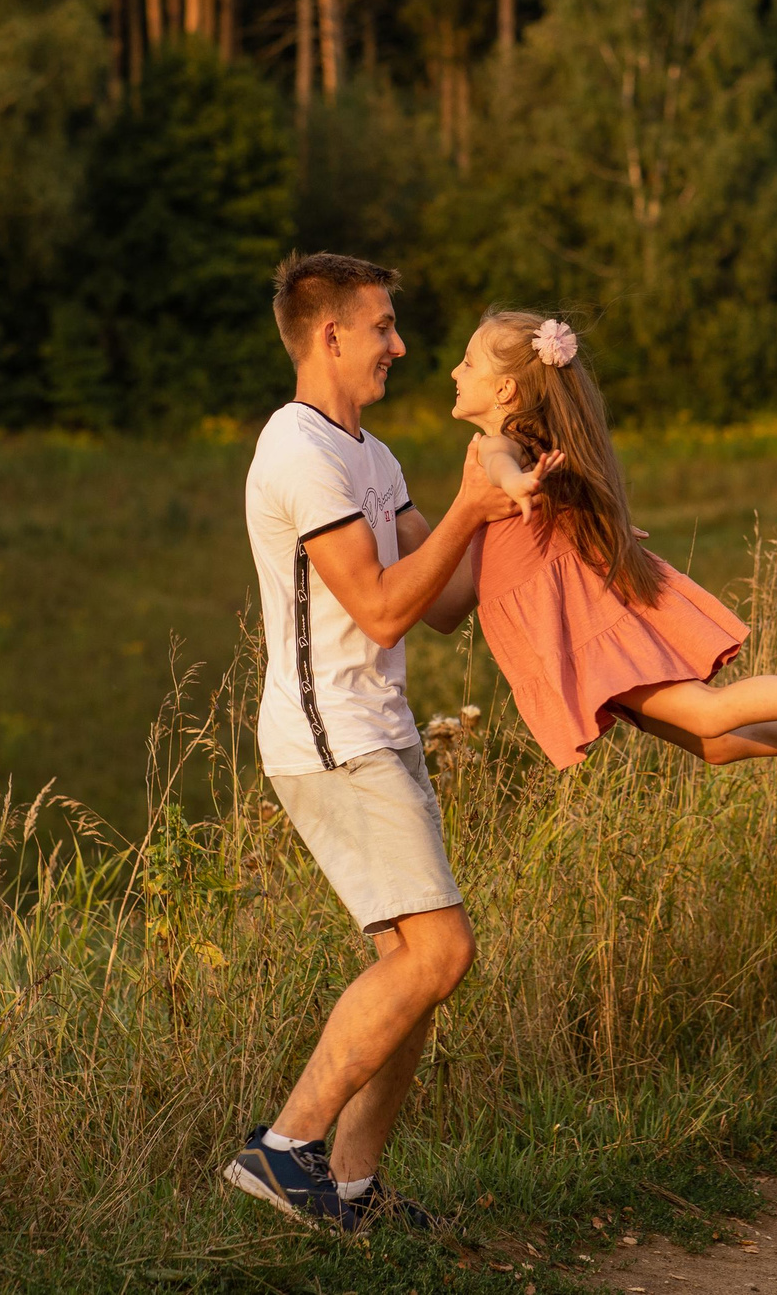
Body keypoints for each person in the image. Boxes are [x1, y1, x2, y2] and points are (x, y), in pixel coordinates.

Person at [223, 254, 549, 1230]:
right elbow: (377, 608)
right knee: (439, 952)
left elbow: (443, 601)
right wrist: (466, 508)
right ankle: (284, 1152)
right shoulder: (298, 451)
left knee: (415, 966)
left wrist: (520, 507)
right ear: (329, 335)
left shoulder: (367, 452)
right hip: (332, 741)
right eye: (383, 327)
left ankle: (351, 1192)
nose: (400, 346)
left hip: (380, 731)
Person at [449, 309, 777, 784]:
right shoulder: (538, 443)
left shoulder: (507, 444)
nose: (454, 371)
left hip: (585, 628)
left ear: (505, 390)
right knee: (713, 744)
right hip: (572, 624)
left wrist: (511, 481)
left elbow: (499, 458)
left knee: (709, 712)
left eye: (468, 363)